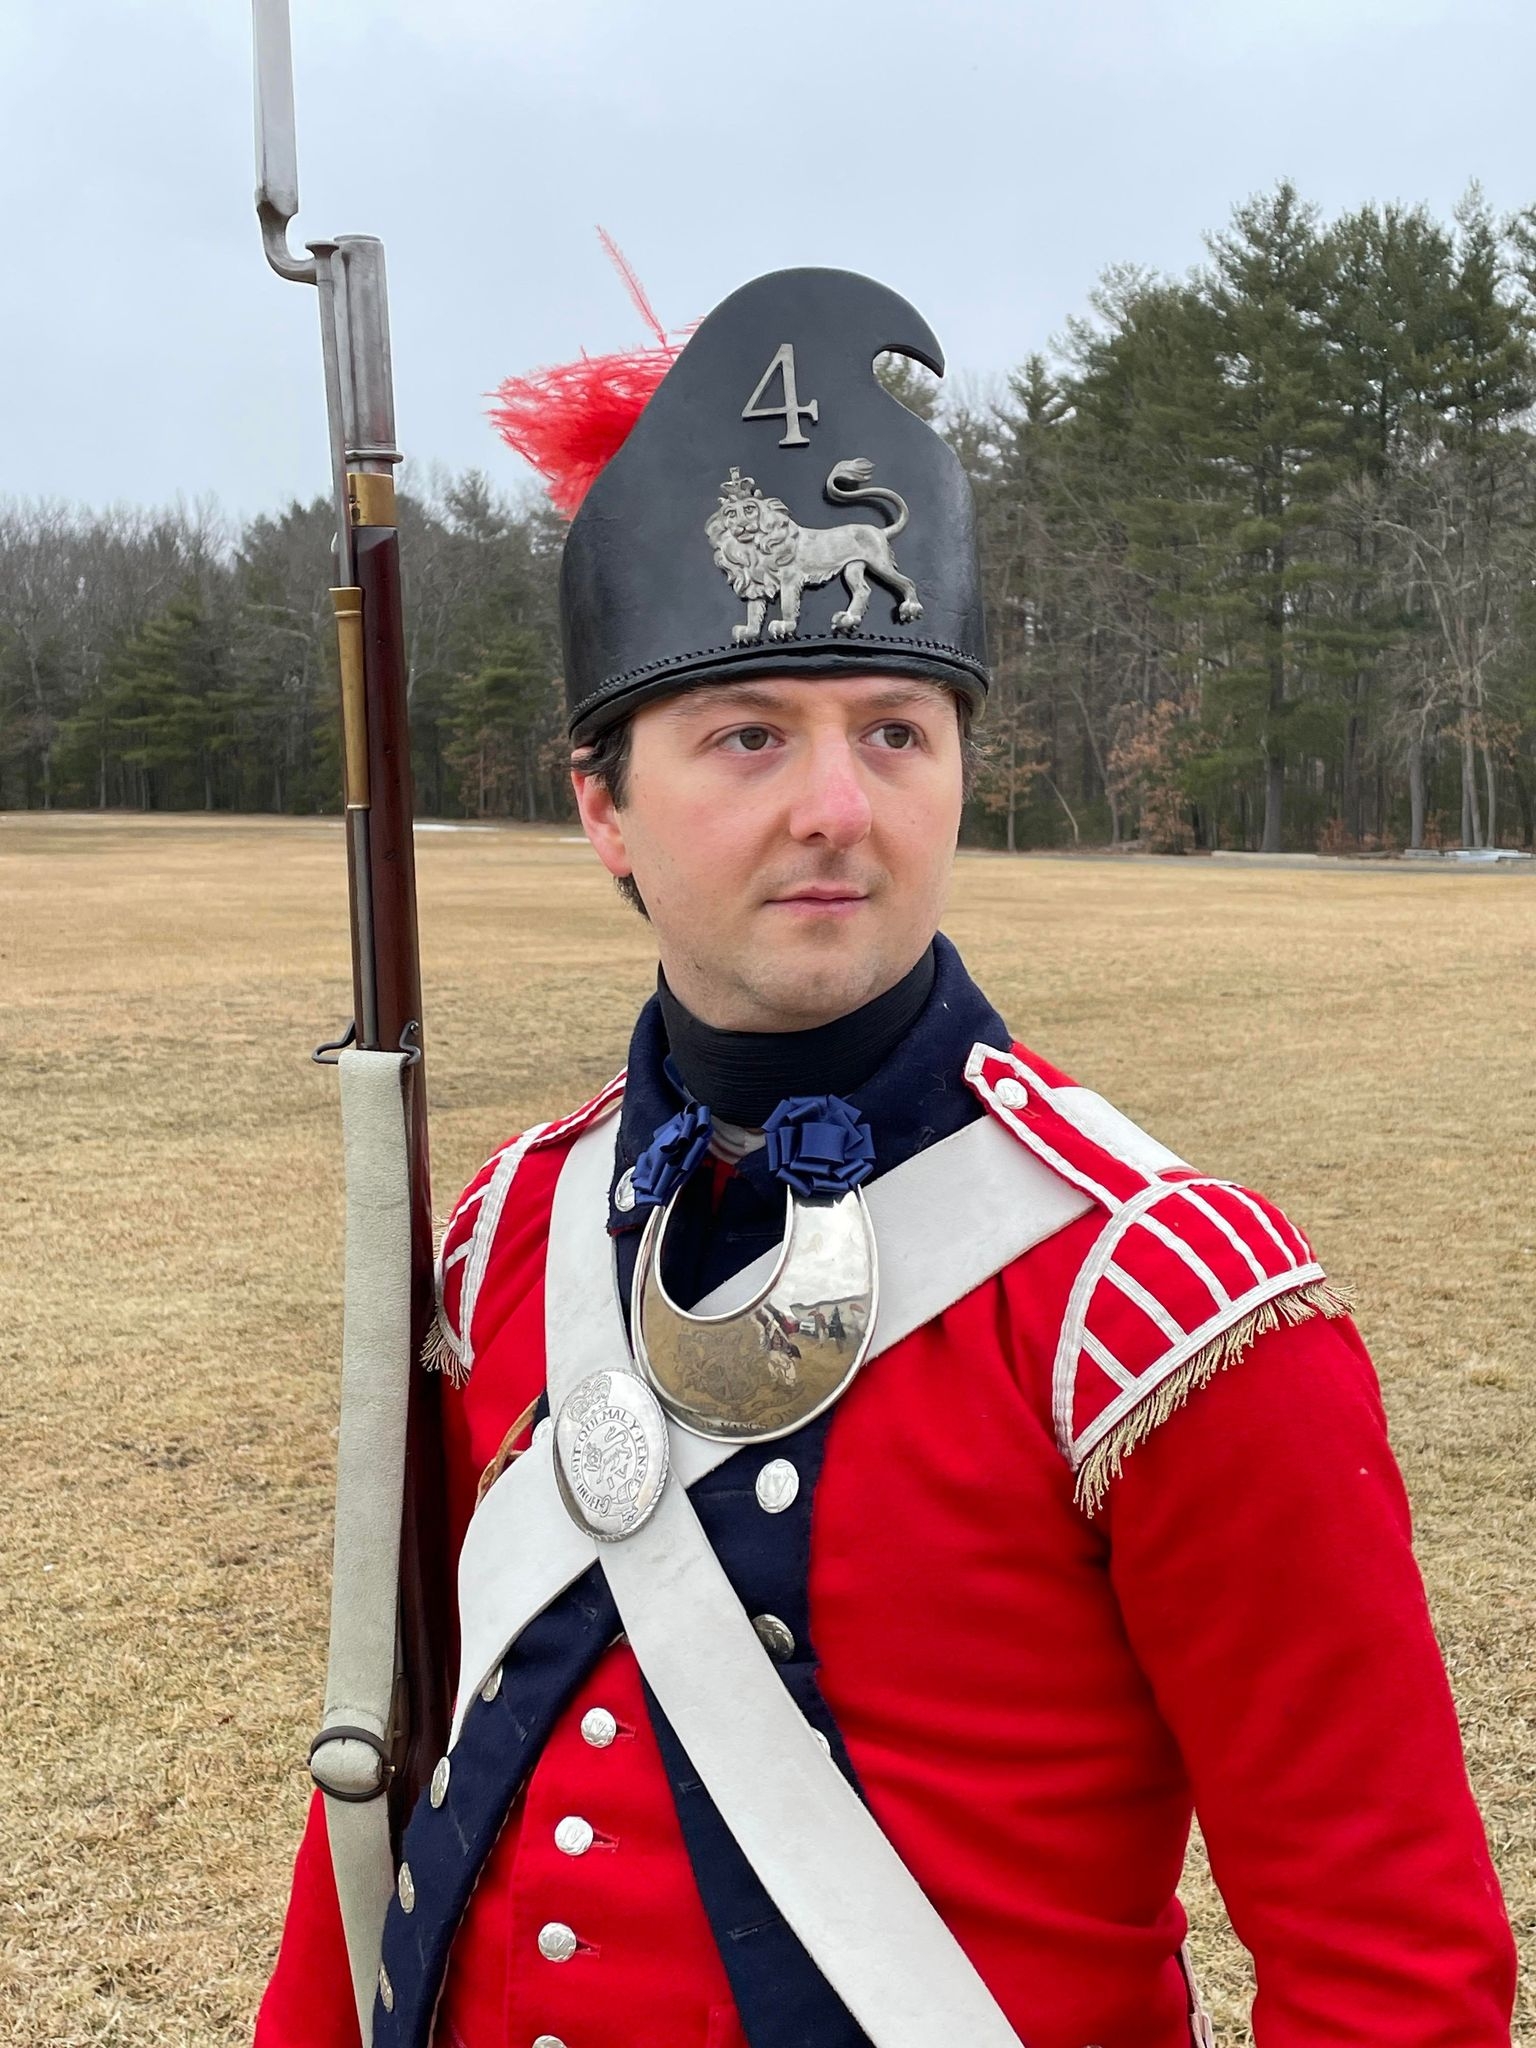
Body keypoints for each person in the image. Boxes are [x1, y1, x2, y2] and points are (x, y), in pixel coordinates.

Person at [255, 268, 1516, 2048]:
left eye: (896, 731)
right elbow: (385, 1787)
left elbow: (1392, 1978)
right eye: (750, 734)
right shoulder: (510, 1232)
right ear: (603, 805)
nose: (837, 805)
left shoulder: (1167, 1308)